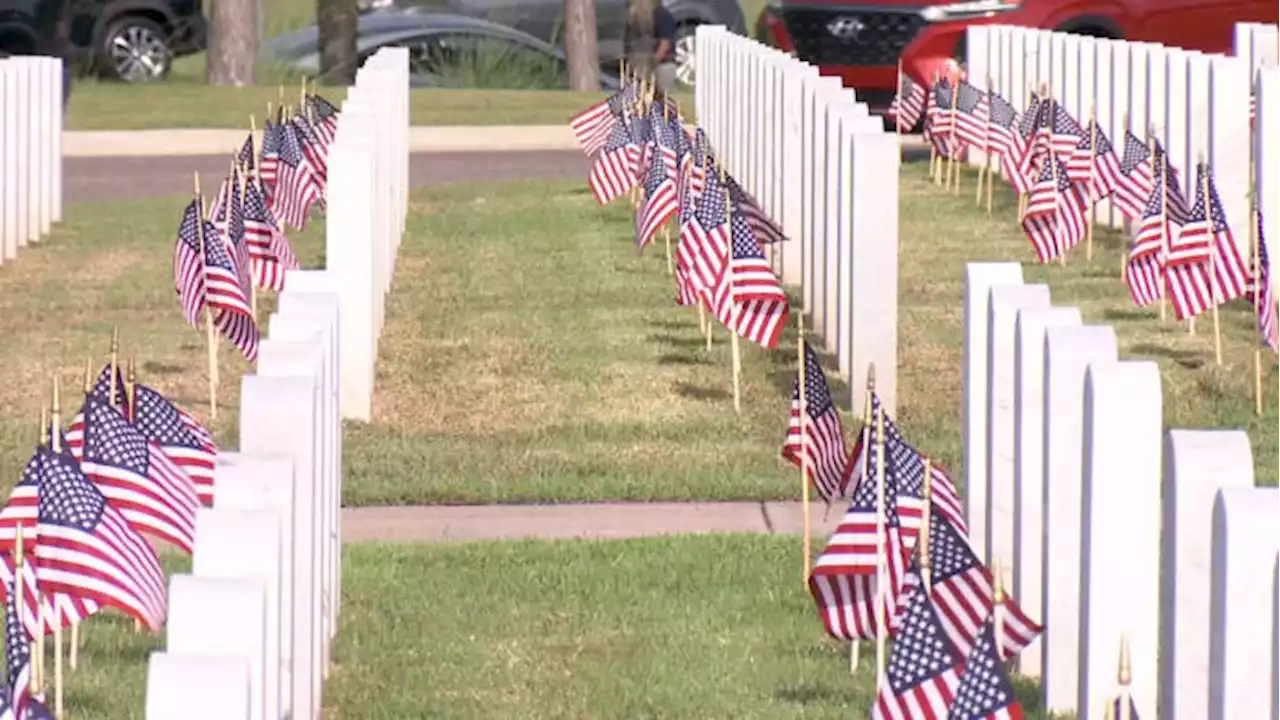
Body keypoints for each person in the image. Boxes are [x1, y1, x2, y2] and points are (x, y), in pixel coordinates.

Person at [625, 0, 679, 93]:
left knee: (661, 98)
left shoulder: (661, 15)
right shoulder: (638, 19)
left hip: (662, 65)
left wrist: (653, 61)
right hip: (645, 65)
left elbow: (665, 44)